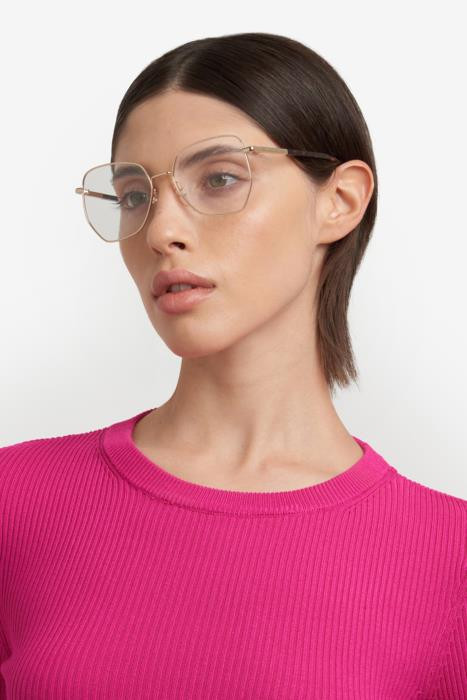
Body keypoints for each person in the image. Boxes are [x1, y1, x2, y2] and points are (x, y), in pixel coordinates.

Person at [1, 32, 465, 698]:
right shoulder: (15, 502)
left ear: (339, 201)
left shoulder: (450, 562)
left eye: (219, 179)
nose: (161, 231)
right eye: (133, 196)